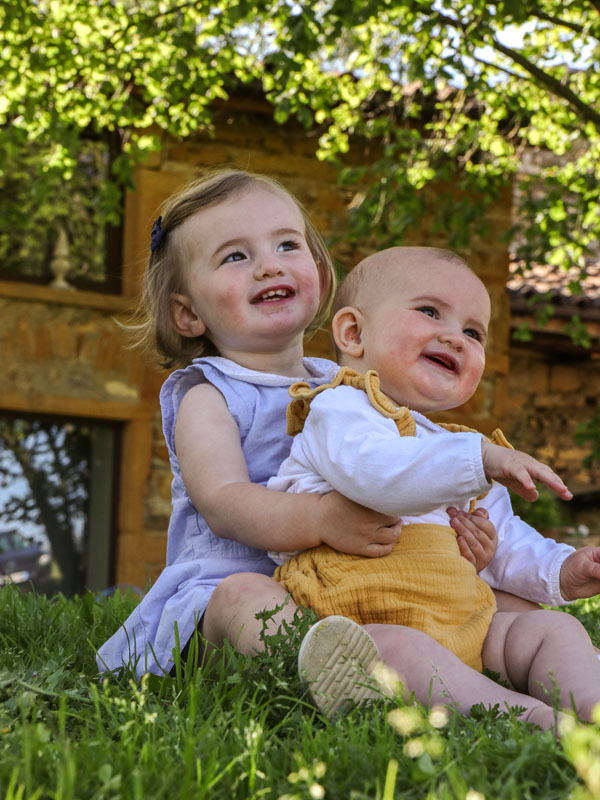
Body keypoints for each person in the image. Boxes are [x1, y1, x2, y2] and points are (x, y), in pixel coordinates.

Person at [267, 246, 600, 729]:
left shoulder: (461, 448)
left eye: (473, 332)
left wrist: (561, 569)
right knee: (400, 650)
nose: (456, 338)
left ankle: (591, 707)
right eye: (429, 312)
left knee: (552, 628)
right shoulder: (338, 410)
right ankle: (524, 717)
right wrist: (479, 460)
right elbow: (382, 476)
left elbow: (506, 541)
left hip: (466, 620)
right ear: (354, 333)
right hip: (364, 618)